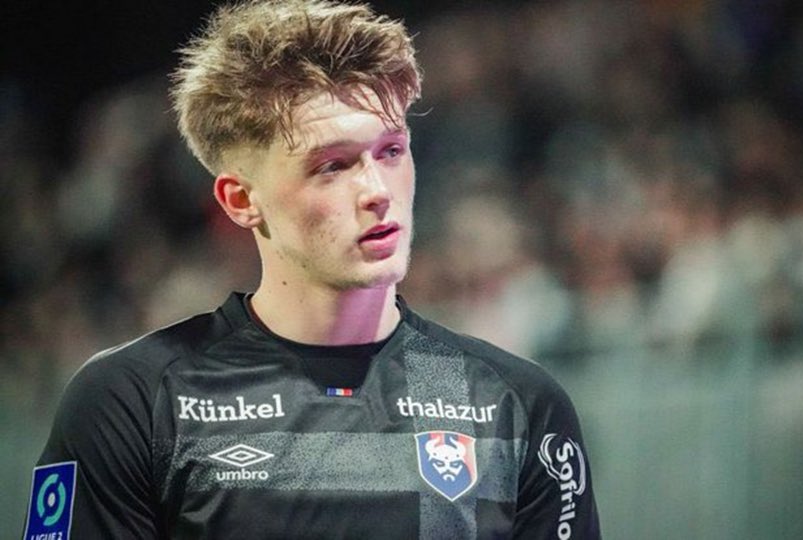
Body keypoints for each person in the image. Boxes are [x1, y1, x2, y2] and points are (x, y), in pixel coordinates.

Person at [23, 1, 601, 538]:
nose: (377, 191)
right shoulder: (132, 402)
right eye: (332, 165)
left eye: (391, 151)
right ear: (240, 200)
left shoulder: (517, 405)